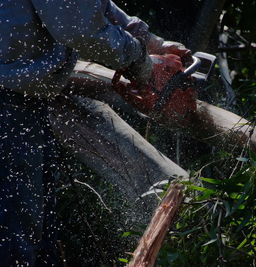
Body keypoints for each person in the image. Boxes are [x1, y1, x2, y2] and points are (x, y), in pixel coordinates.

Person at [0, 0, 189, 266]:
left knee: (34, 227)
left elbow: (88, 6)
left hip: (23, 99)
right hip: (8, 98)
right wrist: (141, 62)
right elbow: (79, 29)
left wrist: (147, 40)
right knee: (14, 229)